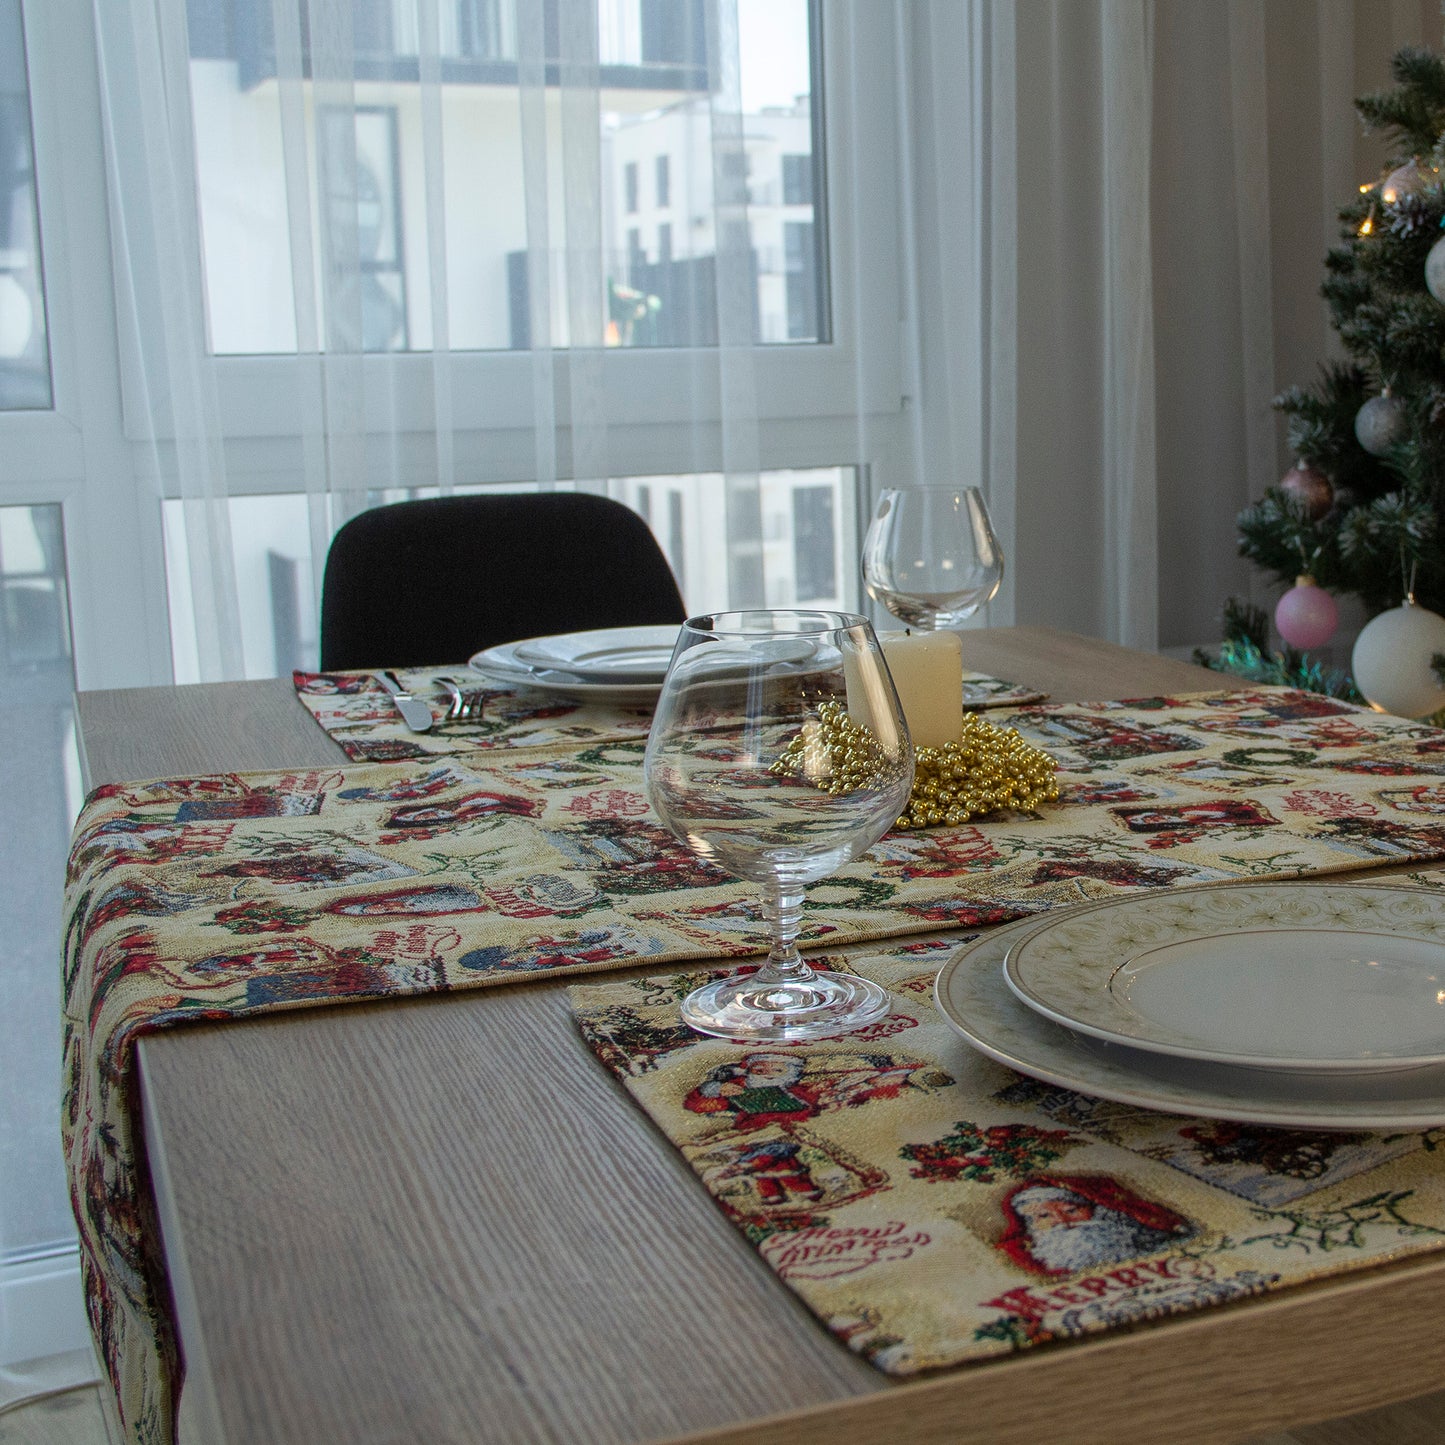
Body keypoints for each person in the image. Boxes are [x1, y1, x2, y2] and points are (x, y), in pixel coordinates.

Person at [998, 1176, 1195, 1276]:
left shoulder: (1145, 1237)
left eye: (1071, 1210)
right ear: (1033, 1225)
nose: (1063, 1223)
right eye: (1044, 1216)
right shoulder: (1027, 1260)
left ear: (1097, 1209)